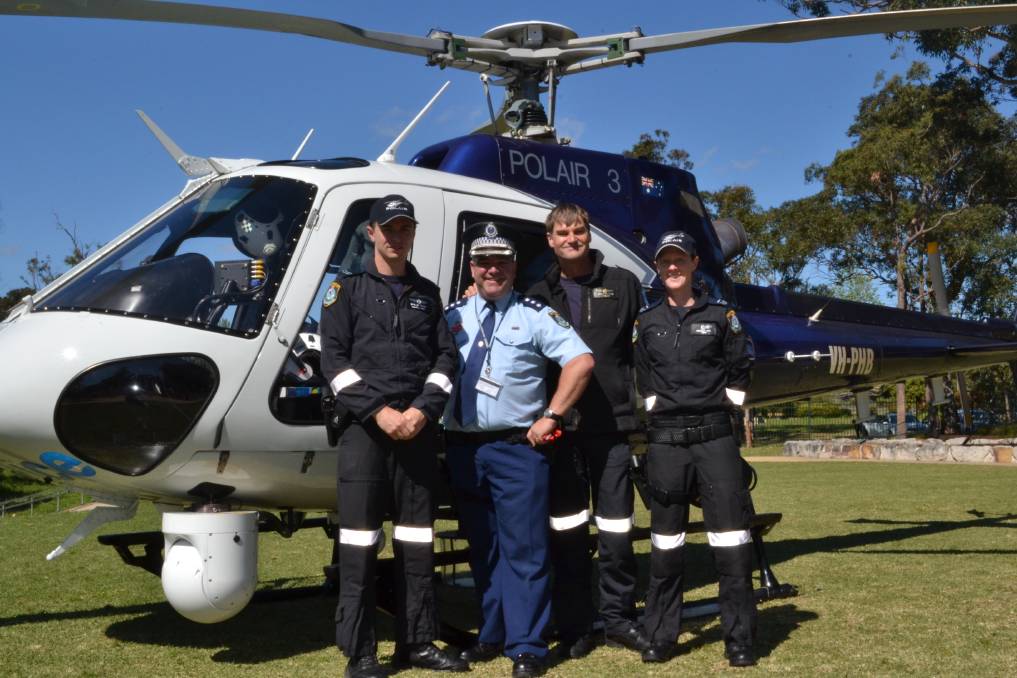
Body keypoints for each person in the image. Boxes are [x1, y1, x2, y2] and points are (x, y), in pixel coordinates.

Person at [320, 195, 467, 678]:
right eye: (389, 228)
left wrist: (423, 412)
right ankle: (360, 653)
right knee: (359, 545)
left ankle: (418, 643)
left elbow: (447, 360)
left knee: (417, 542)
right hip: (366, 434)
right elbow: (334, 363)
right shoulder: (347, 291)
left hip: (418, 435)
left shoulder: (427, 293)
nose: (397, 236)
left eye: (405, 228)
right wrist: (378, 412)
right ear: (371, 232)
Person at [444, 224, 594, 678]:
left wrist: (553, 414)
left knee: (524, 550)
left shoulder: (534, 313)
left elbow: (581, 360)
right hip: (463, 449)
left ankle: (527, 645)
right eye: (483, 262)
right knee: (483, 549)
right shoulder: (451, 316)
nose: (492, 269)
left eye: (502, 261)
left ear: (513, 267)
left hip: (517, 450)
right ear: (472, 267)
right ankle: (492, 635)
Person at [523, 202, 649, 659]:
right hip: (563, 432)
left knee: (616, 530)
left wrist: (646, 417)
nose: (571, 239)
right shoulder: (537, 294)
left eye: (578, 231)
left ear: (588, 234)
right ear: (550, 241)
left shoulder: (624, 284)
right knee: (567, 531)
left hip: (612, 428)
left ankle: (619, 620)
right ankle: (575, 624)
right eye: (562, 233)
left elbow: (643, 354)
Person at [633, 230, 757, 667]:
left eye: (679, 259)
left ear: (693, 263)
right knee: (666, 545)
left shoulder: (723, 317)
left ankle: (738, 638)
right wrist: (656, 408)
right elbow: (643, 375)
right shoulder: (646, 323)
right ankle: (661, 635)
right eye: (665, 260)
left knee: (732, 540)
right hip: (666, 442)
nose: (672, 267)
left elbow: (740, 367)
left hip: (714, 437)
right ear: (659, 266)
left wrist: (727, 406)